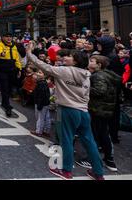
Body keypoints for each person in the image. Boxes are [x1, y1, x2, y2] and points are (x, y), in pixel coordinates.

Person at [26, 42, 104, 180]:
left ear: (75, 61)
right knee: (89, 141)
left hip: (67, 110)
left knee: (66, 139)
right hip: (83, 112)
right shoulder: (86, 75)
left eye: (69, 56)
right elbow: (87, 95)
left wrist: (29, 53)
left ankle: (66, 171)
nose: (65, 57)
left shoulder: (64, 71)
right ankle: (98, 172)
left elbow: (42, 65)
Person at [88, 55, 122, 172]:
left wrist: (85, 87)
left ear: (99, 65)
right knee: (103, 133)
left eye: (92, 61)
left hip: (98, 109)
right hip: (105, 109)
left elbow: (99, 91)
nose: (89, 62)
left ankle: (92, 159)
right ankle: (109, 159)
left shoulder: (98, 76)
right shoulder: (108, 74)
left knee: (96, 134)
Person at [0, 33, 22, 117]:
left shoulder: (14, 46)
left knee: (9, 88)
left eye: (10, 37)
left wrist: (19, 68)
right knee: (4, 87)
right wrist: (2, 53)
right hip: (2, 69)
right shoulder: (0, 45)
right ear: (3, 37)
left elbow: (16, 58)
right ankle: (7, 107)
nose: (9, 38)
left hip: (12, 69)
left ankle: (4, 102)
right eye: (7, 37)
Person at [30, 70, 51, 138]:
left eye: (40, 73)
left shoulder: (41, 84)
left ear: (44, 76)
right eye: (38, 72)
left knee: (40, 118)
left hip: (41, 103)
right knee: (46, 117)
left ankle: (39, 131)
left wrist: (39, 105)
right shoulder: (43, 83)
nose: (37, 74)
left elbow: (41, 96)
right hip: (46, 103)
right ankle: (46, 131)